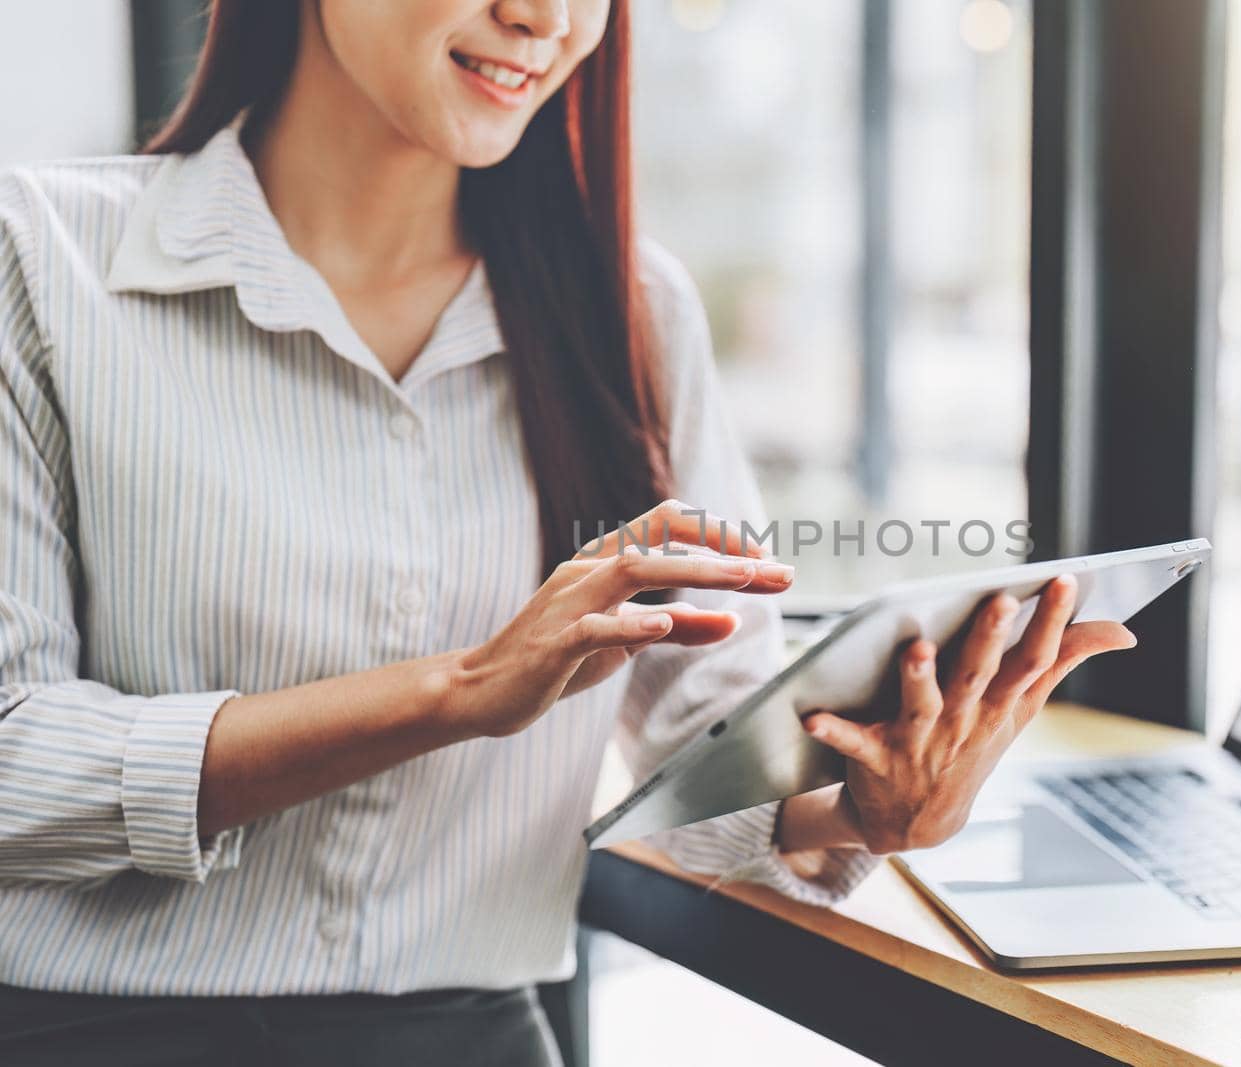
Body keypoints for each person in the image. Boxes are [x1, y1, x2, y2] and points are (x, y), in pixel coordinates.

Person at [0, 1, 1135, 1063]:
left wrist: (868, 802)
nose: (543, 16)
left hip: (474, 1032)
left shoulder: (631, 313)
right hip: (81, 1027)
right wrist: (460, 688)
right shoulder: (41, 259)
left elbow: (712, 730)